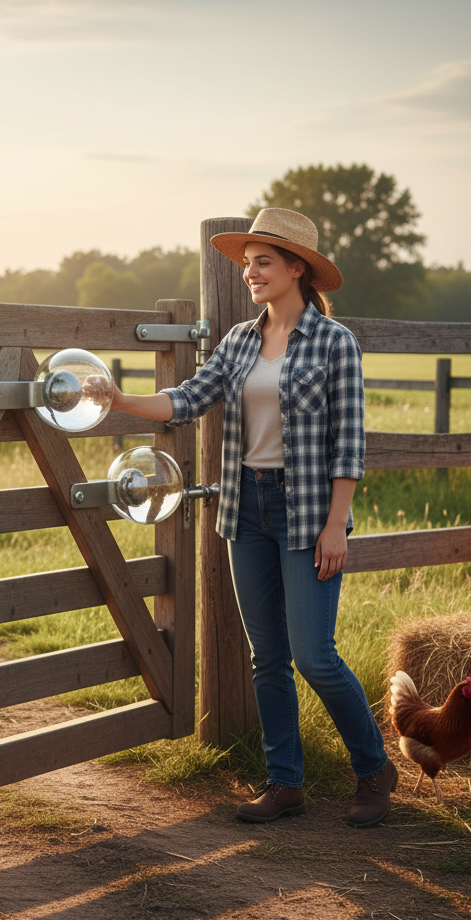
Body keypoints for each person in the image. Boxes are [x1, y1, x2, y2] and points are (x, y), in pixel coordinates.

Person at [103, 208, 397, 828]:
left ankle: (374, 768)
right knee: (268, 657)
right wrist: (120, 399)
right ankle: (284, 782)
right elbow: (189, 398)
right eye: (246, 264)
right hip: (246, 508)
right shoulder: (239, 340)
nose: (250, 273)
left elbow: (349, 443)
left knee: (315, 656)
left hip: (308, 511)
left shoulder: (335, 342)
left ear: (297, 268)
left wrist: (337, 524)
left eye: (263, 262)